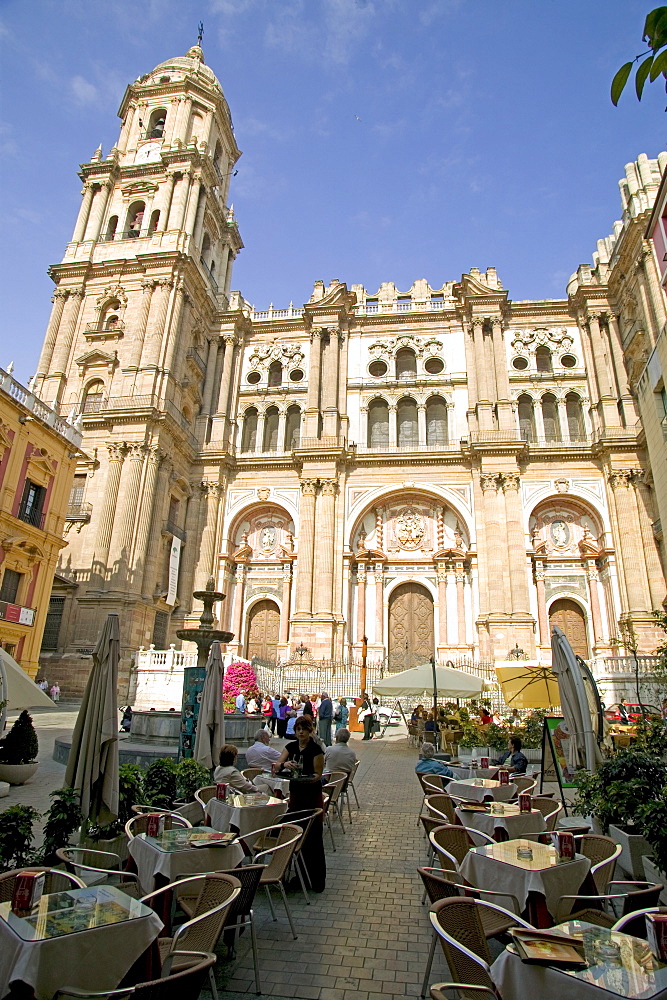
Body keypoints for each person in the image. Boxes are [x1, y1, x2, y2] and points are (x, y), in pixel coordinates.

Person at [273, 715, 325, 892]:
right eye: (298, 729)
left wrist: (306, 777)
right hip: (296, 796)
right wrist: (284, 764)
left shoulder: (316, 750)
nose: (301, 732)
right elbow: (276, 766)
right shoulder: (291, 747)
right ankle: (293, 876)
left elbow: (318, 774)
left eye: (304, 729)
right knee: (293, 833)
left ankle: (314, 880)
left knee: (312, 837)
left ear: (310, 731)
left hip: (311, 796)